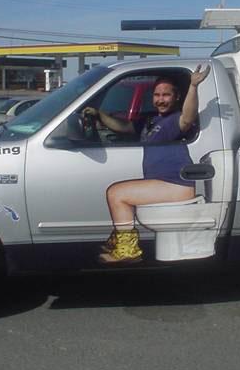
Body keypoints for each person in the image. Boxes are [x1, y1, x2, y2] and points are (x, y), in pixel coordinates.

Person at [82, 65, 211, 264]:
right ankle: (122, 244)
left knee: (117, 193)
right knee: (118, 193)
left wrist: (193, 87)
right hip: (164, 183)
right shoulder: (151, 120)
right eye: (157, 94)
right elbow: (124, 126)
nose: (160, 99)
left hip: (177, 184)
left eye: (166, 95)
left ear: (176, 97)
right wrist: (100, 115)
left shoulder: (175, 120)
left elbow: (188, 118)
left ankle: (127, 249)